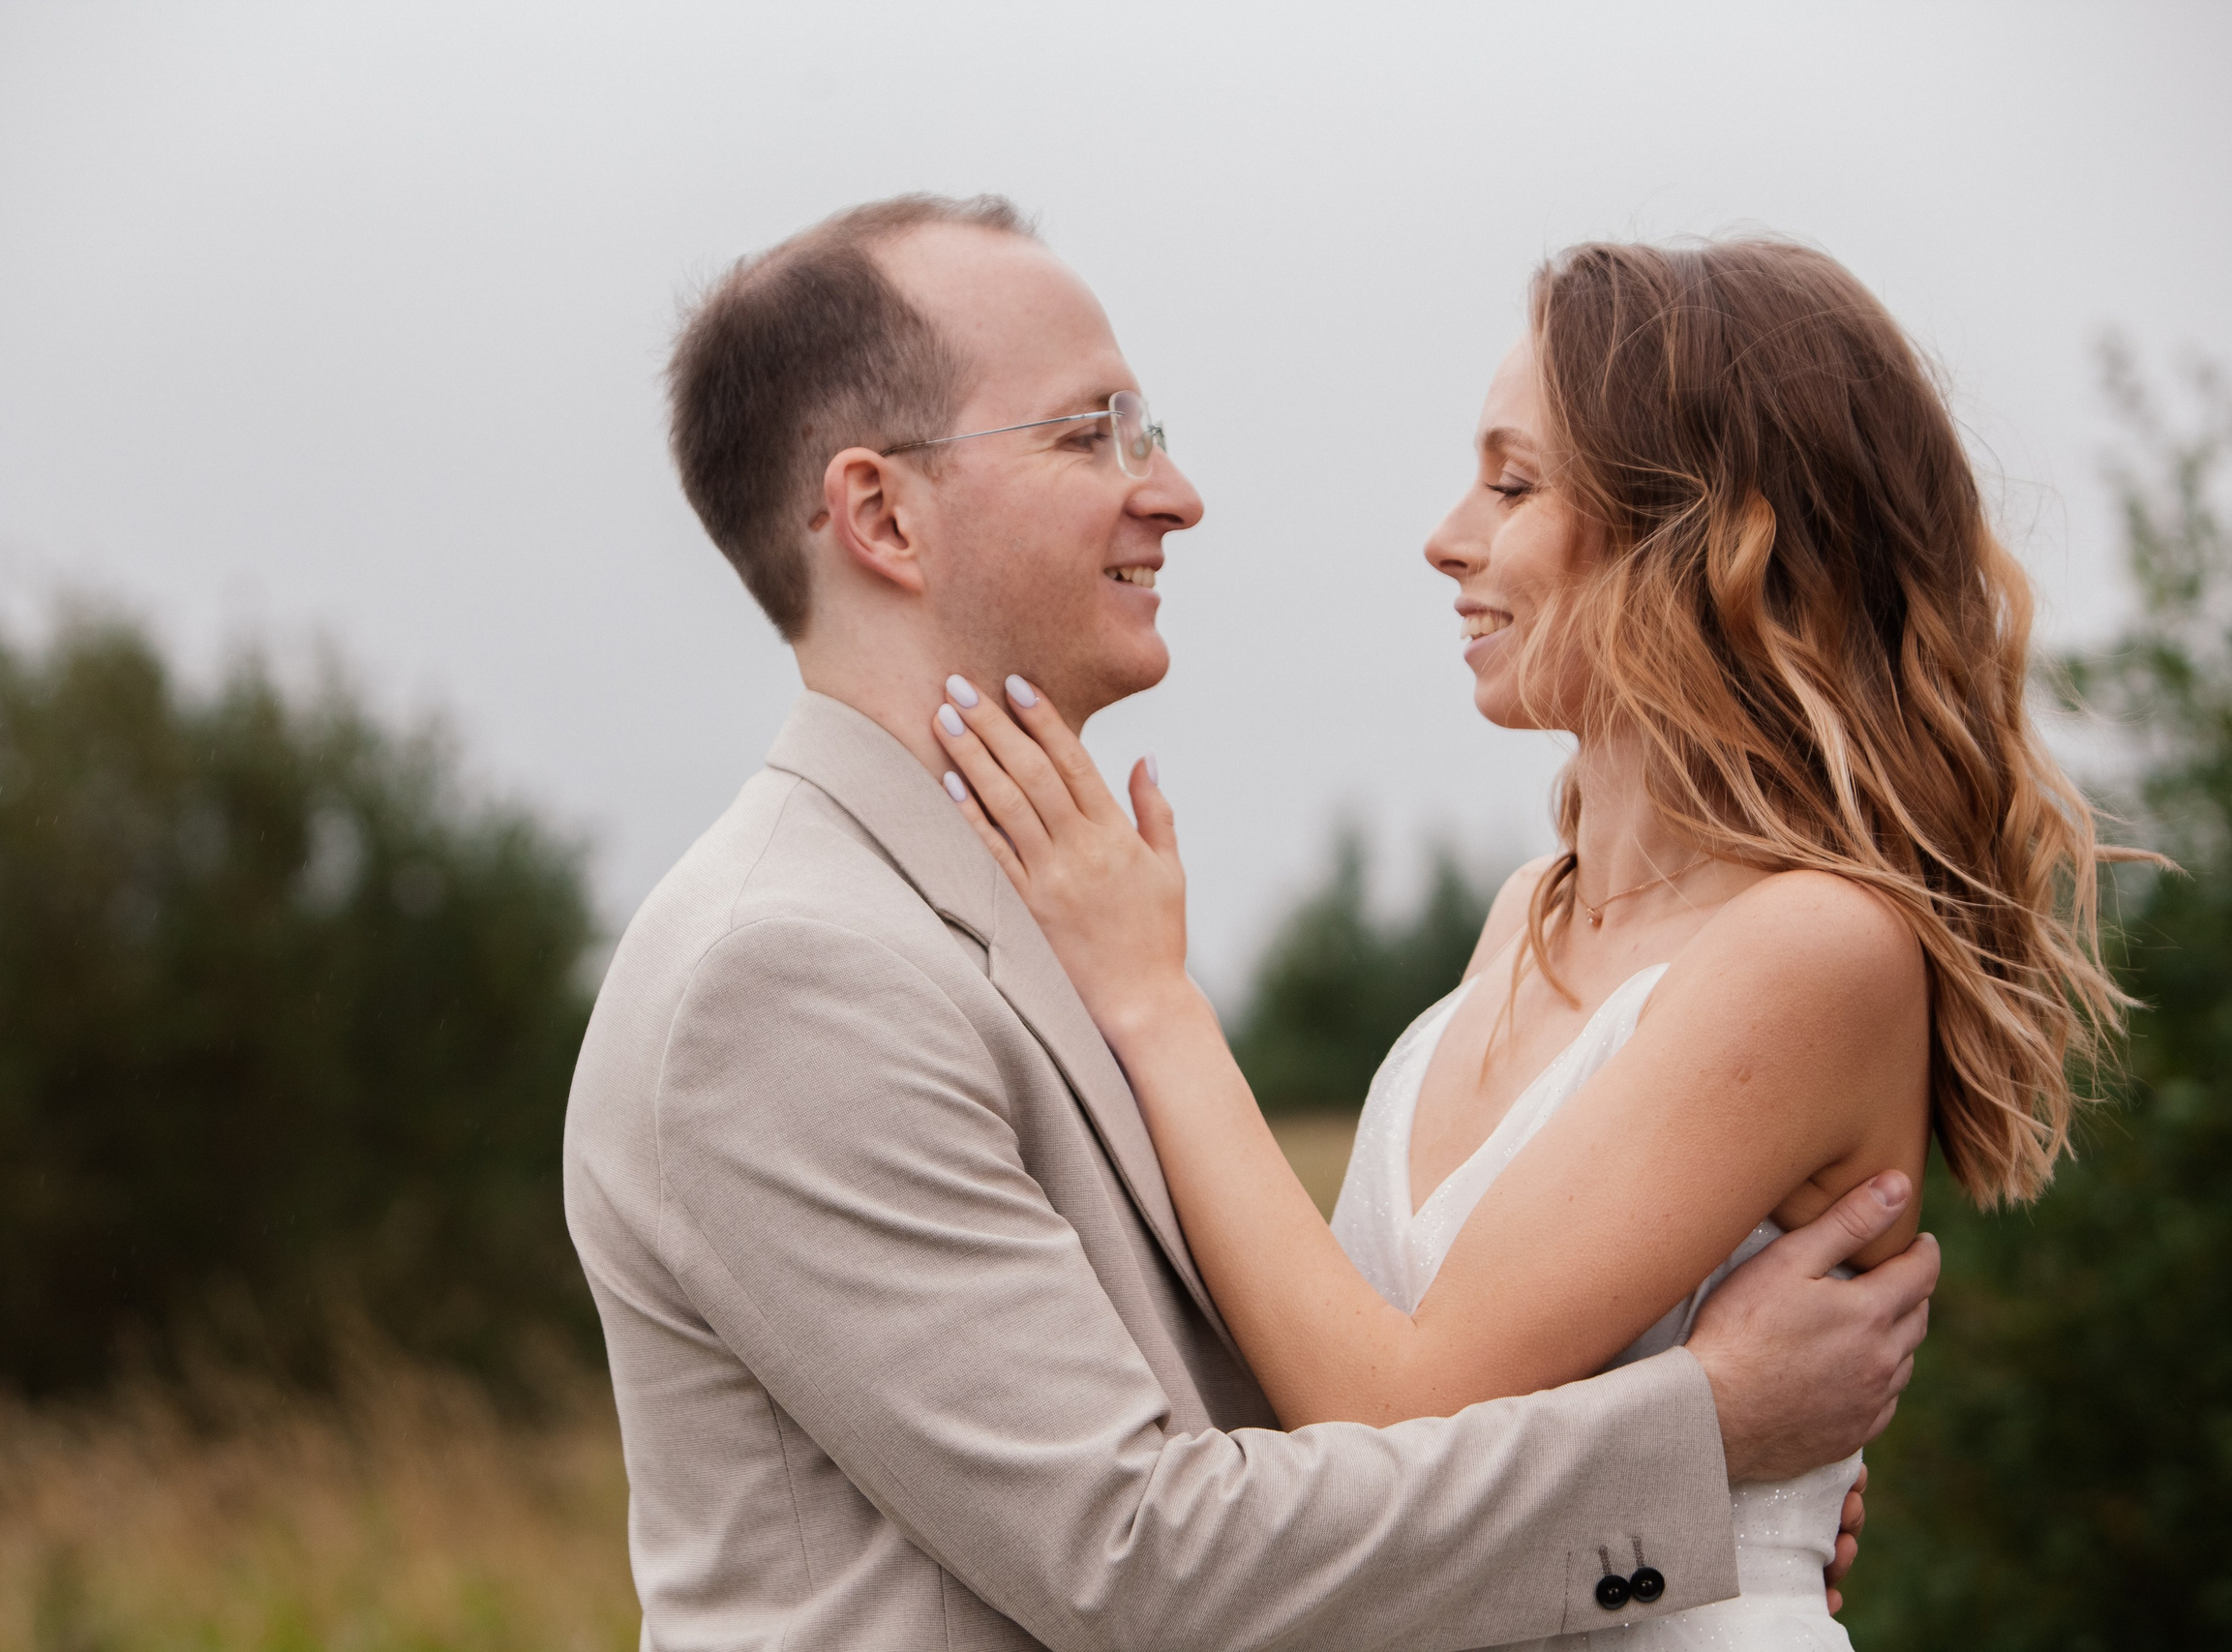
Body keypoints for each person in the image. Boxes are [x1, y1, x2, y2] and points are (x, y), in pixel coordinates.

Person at [563, 199, 1937, 1652]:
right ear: (883, 515)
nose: (1174, 493)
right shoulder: (783, 973)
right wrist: (1694, 1449)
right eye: (1090, 433)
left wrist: (1705, 1523)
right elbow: (1137, 1557)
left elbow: (1293, 1414)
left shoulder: (1034, 914)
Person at [928, 238, 2129, 1649]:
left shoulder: (1816, 945)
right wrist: (1711, 1424)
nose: (1449, 537)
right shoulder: (1527, 916)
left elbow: (1397, 1407)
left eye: (1513, 484)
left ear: (1703, 535)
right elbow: (1345, 1432)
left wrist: (1150, 995)